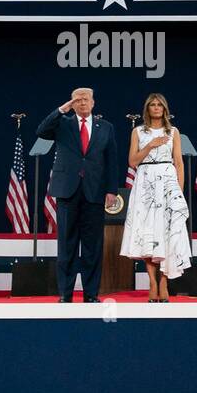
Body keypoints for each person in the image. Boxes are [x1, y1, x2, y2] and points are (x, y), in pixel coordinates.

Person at [36, 87, 119, 303]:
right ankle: (65, 293)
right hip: (67, 190)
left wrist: (111, 190)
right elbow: (41, 131)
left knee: (93, 246)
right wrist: (62, 109)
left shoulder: (106, 127)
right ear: (72, 103)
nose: (82, 102)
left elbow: (111, 161)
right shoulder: (62, 123)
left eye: (86, 99)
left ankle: (91, 294)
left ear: (93, 103)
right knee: (67, 244)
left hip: (94, 192)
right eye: (78, 99)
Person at [120, 93, 192, 302]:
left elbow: (178, 163)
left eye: (160, 104)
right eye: (152, 104)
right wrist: (150, 145)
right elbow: (132, 161)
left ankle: (163, 282)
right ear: (147, 109)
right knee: (147, 234)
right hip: (145, 183)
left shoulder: (174, 132)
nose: (156, 107)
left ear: (165, 108)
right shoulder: (138, 131)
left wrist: (179, 192)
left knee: (167, 233)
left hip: (168, 184)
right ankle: (152, 282)